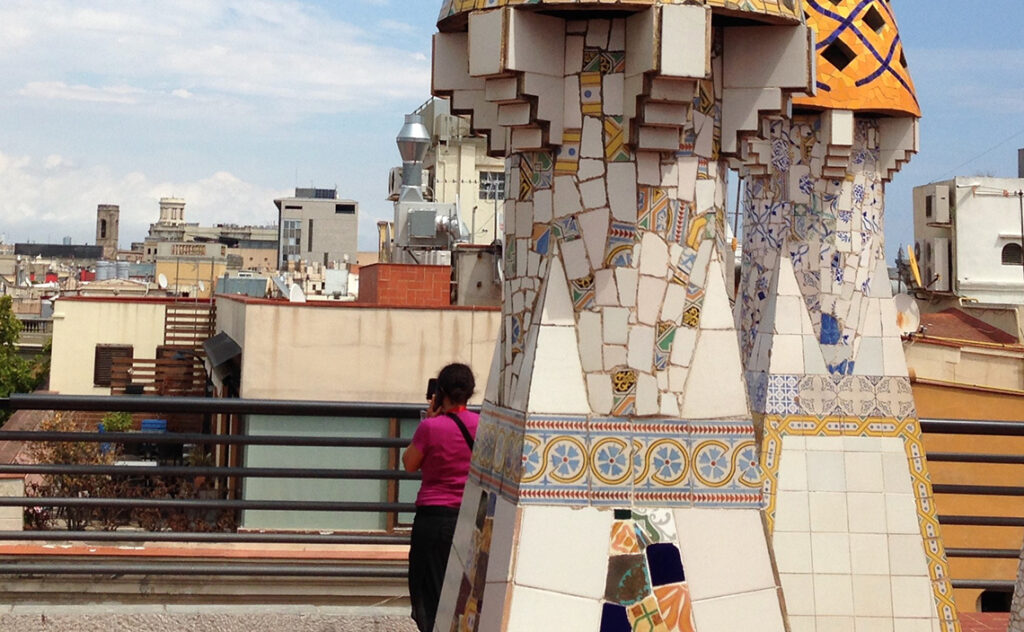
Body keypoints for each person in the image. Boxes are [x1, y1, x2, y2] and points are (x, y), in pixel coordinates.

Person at [403, 363, 479, 632]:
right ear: (469, 393)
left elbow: (409, 464)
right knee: (463, 593)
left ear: (439, 393)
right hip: (470, 519)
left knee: (428, 593)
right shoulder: (481, 426)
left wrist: (429, 421)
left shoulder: (431, 428)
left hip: (433, 519)